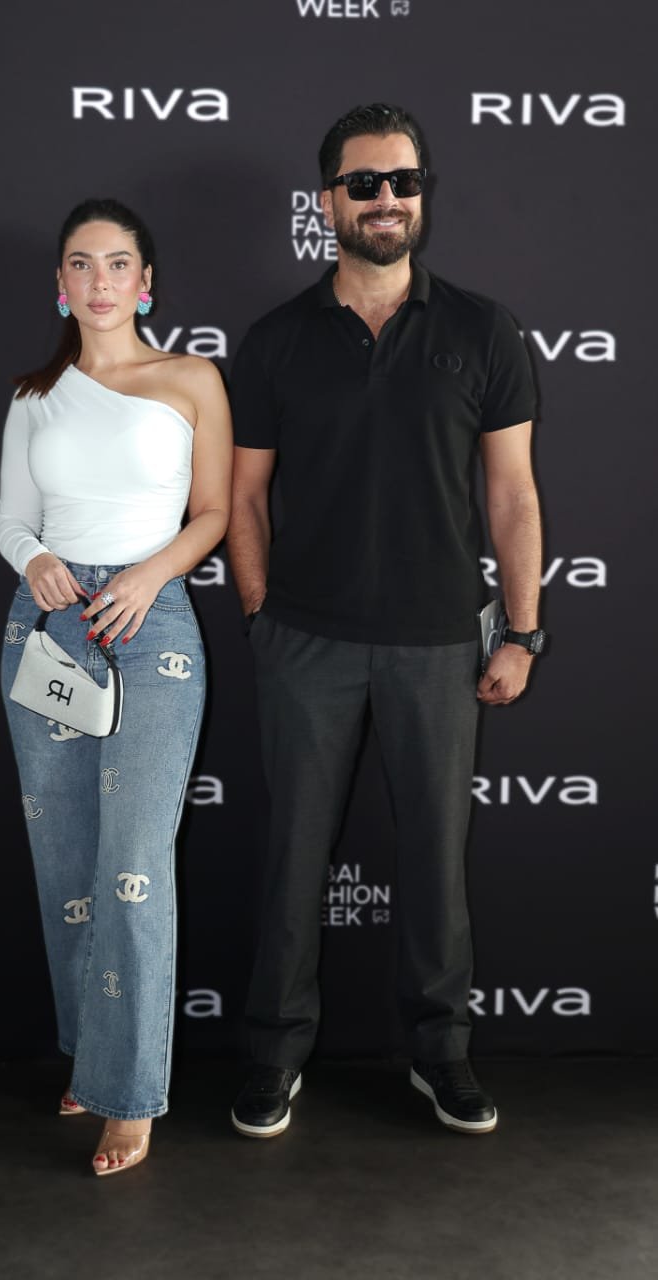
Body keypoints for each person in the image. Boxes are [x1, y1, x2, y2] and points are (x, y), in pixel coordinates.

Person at [227, 103, 545, 1138]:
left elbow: (512, 496)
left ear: (421, 196)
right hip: (305, 641)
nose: (385, 200)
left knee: (436, 863)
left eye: (403, 182)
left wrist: (520, 631)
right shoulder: (274, 340)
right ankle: (274, 1054)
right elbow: (242, 498)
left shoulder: (482, 330)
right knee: (291, 860)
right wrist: (261, 612)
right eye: (363, 183)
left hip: (439, 643)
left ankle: (439, 1053)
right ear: (326, 200)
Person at [0, 198, 232, 1175]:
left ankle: (129, 1095)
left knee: (134, 861)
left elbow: (213, 510)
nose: (101, 280)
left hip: (151, 625)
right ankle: (89, 1059)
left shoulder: (190, 379)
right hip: (50, 627)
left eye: (118, 263)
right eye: (82, 264)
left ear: (146, 283)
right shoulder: (33, 395)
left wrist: (147, 575)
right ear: (62, 283)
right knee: (67, 864)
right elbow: (12, 519)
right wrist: (37, 560)